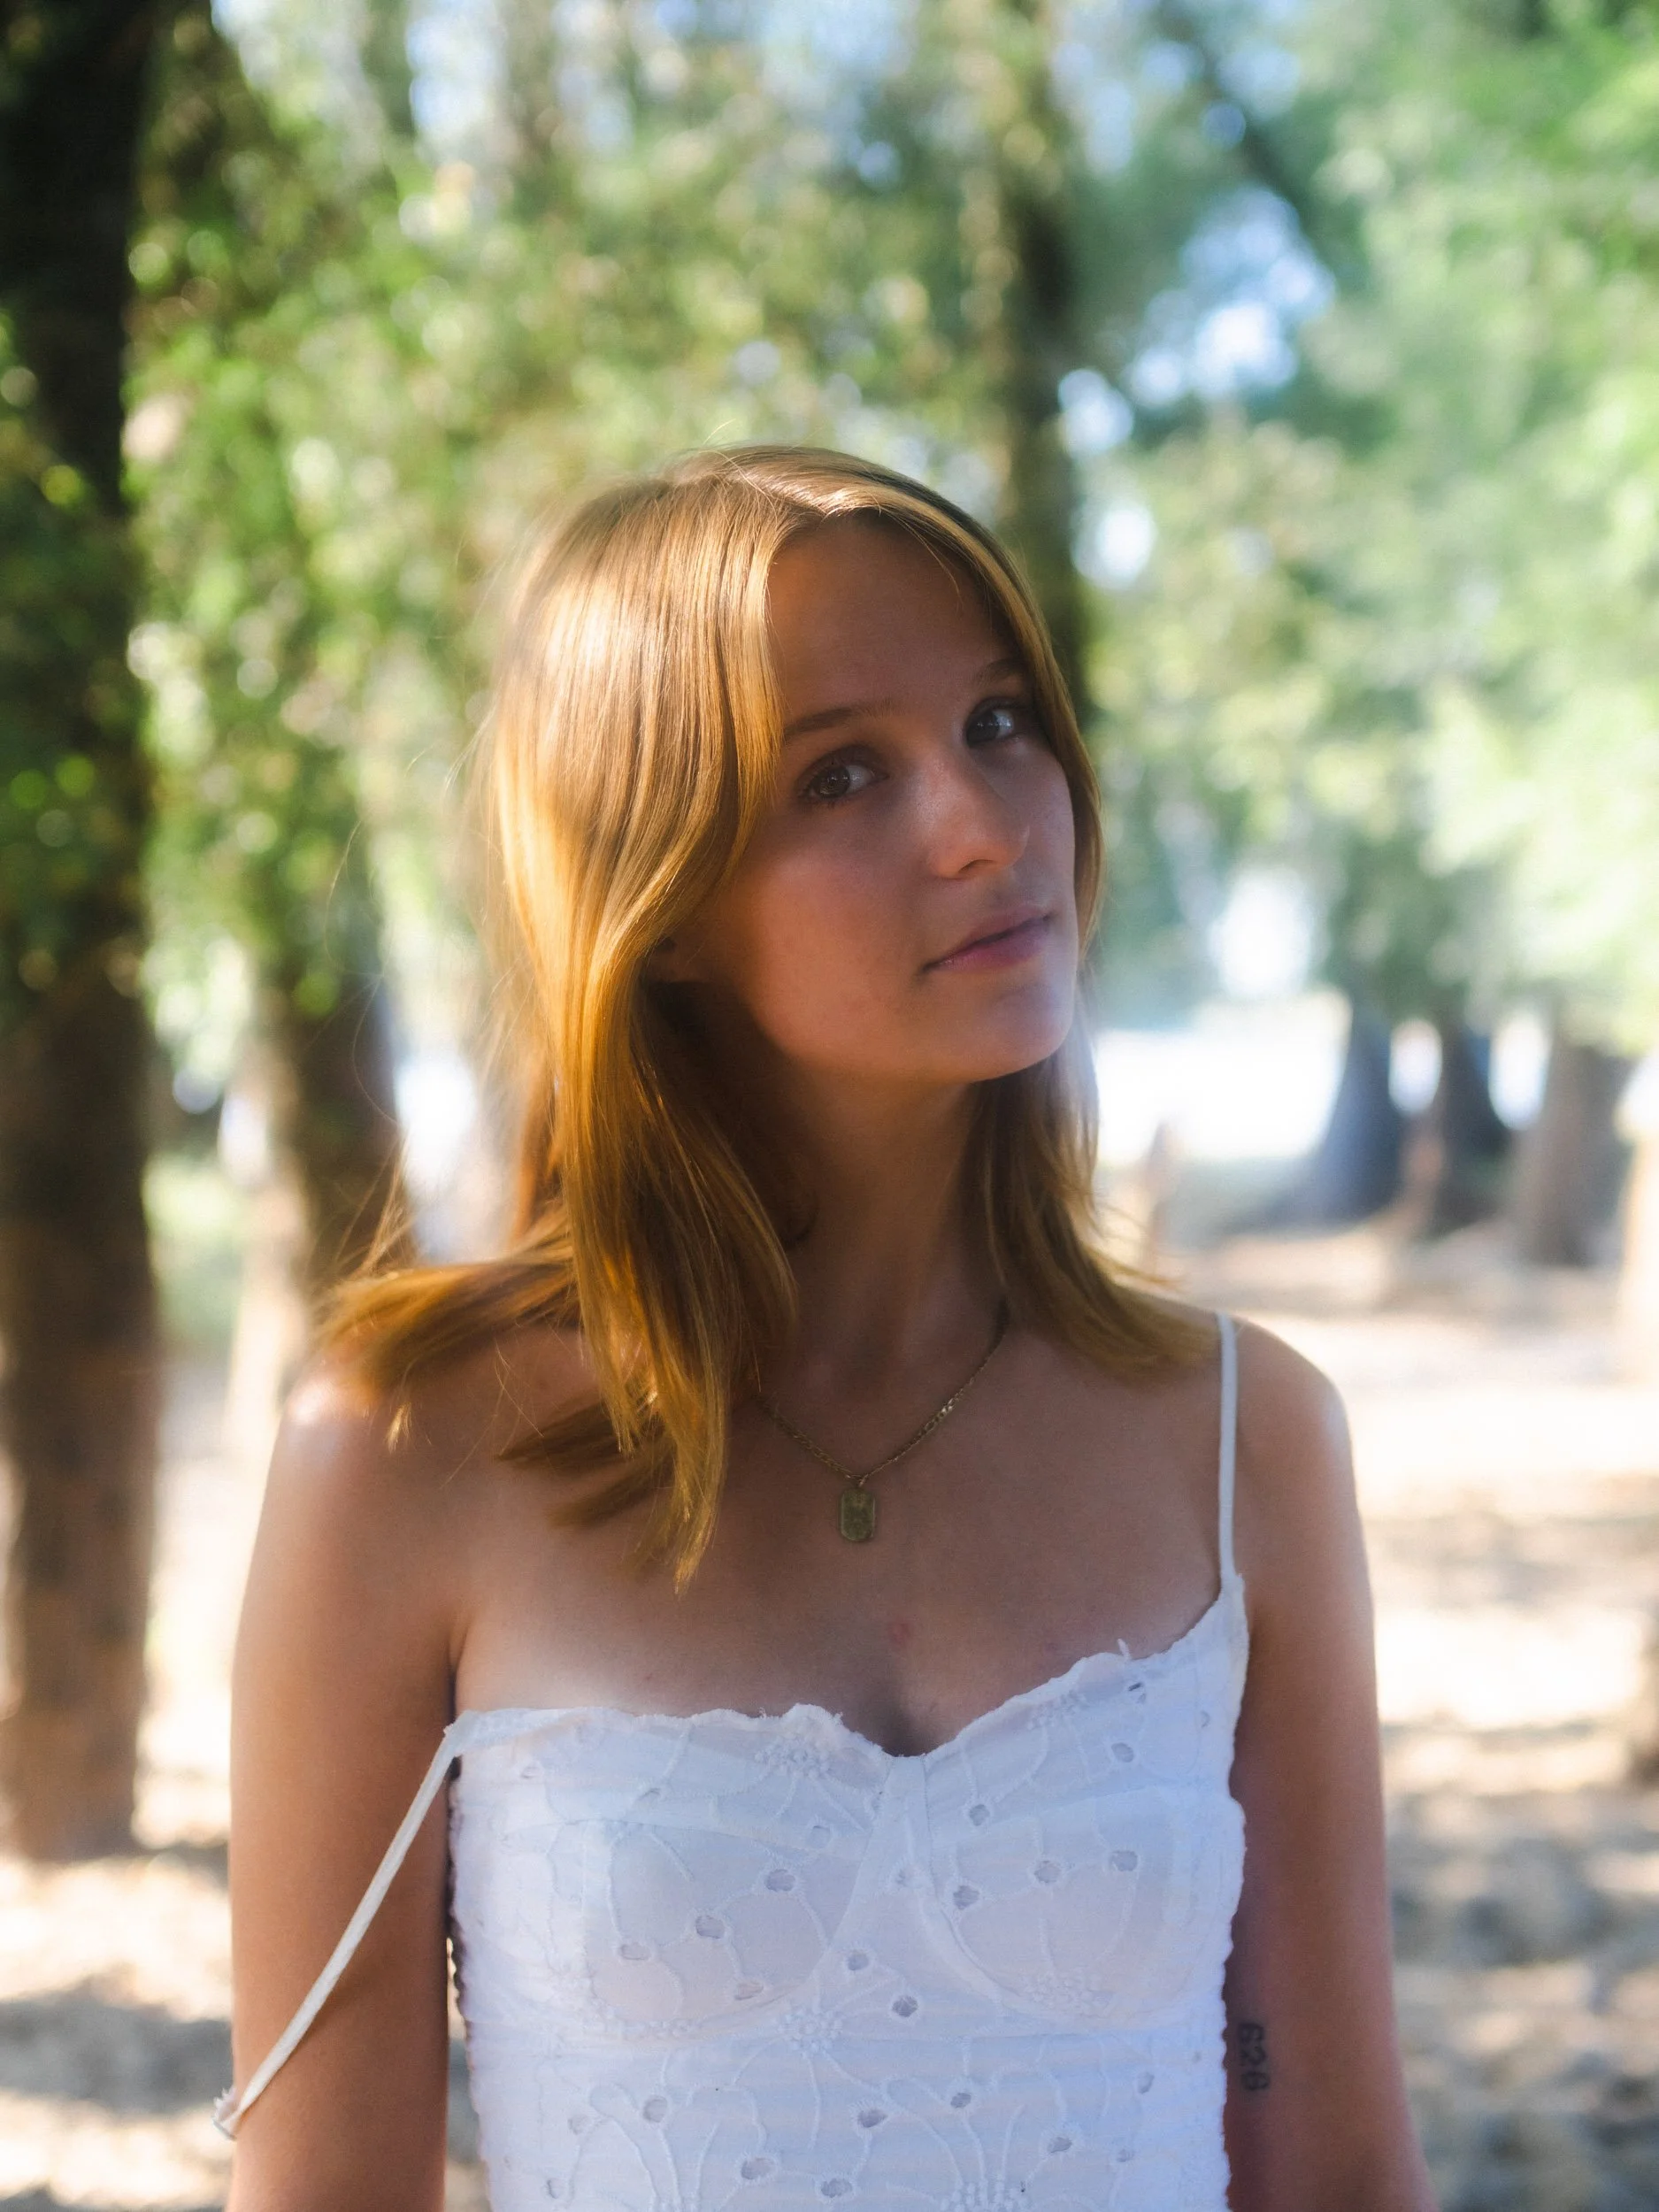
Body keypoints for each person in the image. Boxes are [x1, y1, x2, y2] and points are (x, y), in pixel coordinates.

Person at [217, 446, 1433, 2212]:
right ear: (664, 900)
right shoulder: (412, 1448)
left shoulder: (1245, 1435)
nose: (978, 819)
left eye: (1003, 722)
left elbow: (1335, 2172)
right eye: (842, 773)